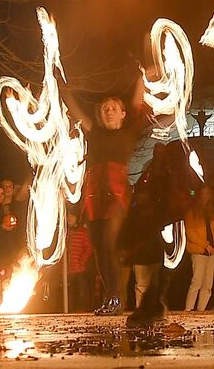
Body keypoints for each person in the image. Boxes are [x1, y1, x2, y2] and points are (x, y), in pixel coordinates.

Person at [80, 94, 143, 315]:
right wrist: (57, 79)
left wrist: (144, 73)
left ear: (123, 114)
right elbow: (75, 110)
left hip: (116, 191)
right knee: (99, 248)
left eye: (114, 108)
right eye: (105, 108)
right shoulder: (94, 133)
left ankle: (116, 298)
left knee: (109, 243)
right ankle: (110, 297)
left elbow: (137, 100)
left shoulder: (129, 132)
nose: (108, 111)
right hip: (94, 192)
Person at [184, 187, 214, 311]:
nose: (205, 196)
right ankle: (189, 309)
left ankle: (201, 310)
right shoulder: (192, 213)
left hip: (212, 253)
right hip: (199, 251)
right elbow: (190, 233)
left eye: (208, 194)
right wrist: (205, 245)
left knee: (208, 284)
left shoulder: (212, 214)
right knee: (197, 281)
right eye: (203, 194)